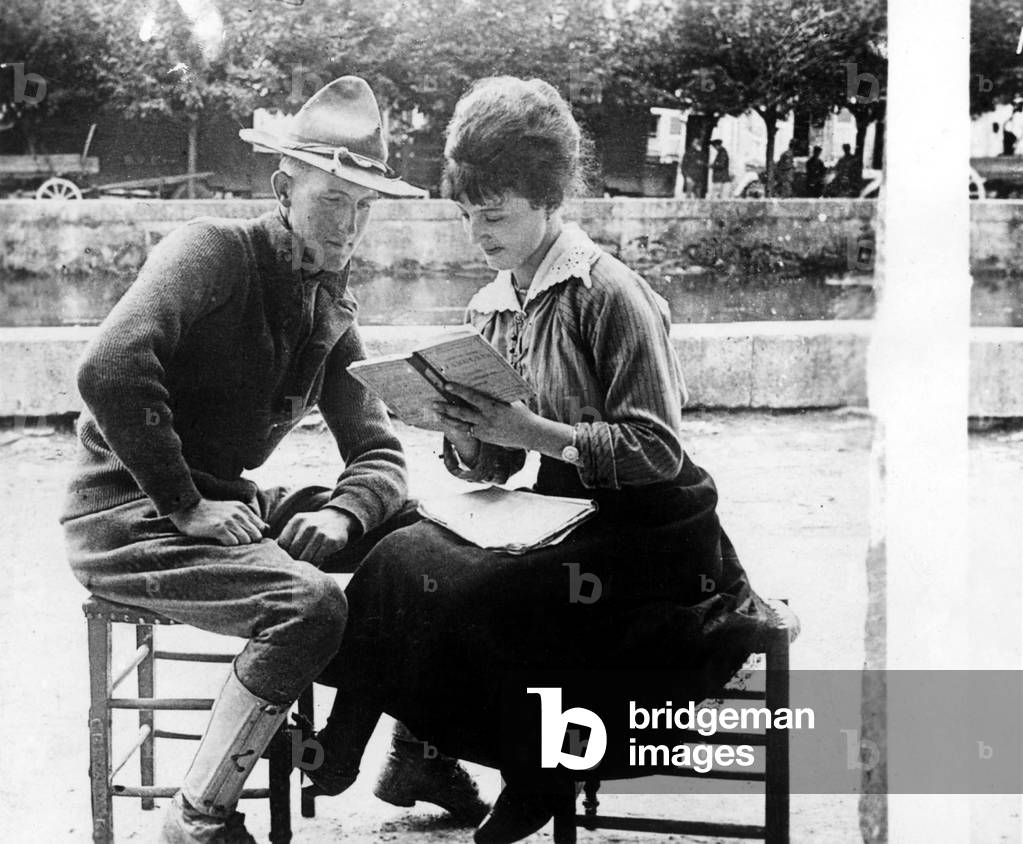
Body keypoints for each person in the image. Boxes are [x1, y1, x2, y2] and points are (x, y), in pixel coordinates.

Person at [306, 76, 772, 844]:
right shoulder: (491, 305)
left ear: (549, 198)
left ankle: (537, 775)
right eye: (465, 213)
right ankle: (352, 740)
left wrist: (529, 431)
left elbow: (657, 451)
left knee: (498, 594)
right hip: (558, 509)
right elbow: (494, 463)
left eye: (494, 214)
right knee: (399, 556)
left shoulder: (608, 293)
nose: (476, 232)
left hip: (653, 529)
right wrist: (461, 431)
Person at [60, 77, 483, 844]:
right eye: (333, 201)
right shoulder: (212, 251)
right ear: (283, 191)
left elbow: (378, 451)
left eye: (364, 206)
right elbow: (110, 369)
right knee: (310, 605)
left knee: (425, 541)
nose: (349, 225)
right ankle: (198, 820)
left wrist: (342, 513)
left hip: (226, 505)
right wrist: (187, 504)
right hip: (127, 521)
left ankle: (415, 754)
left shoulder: (327, 307)